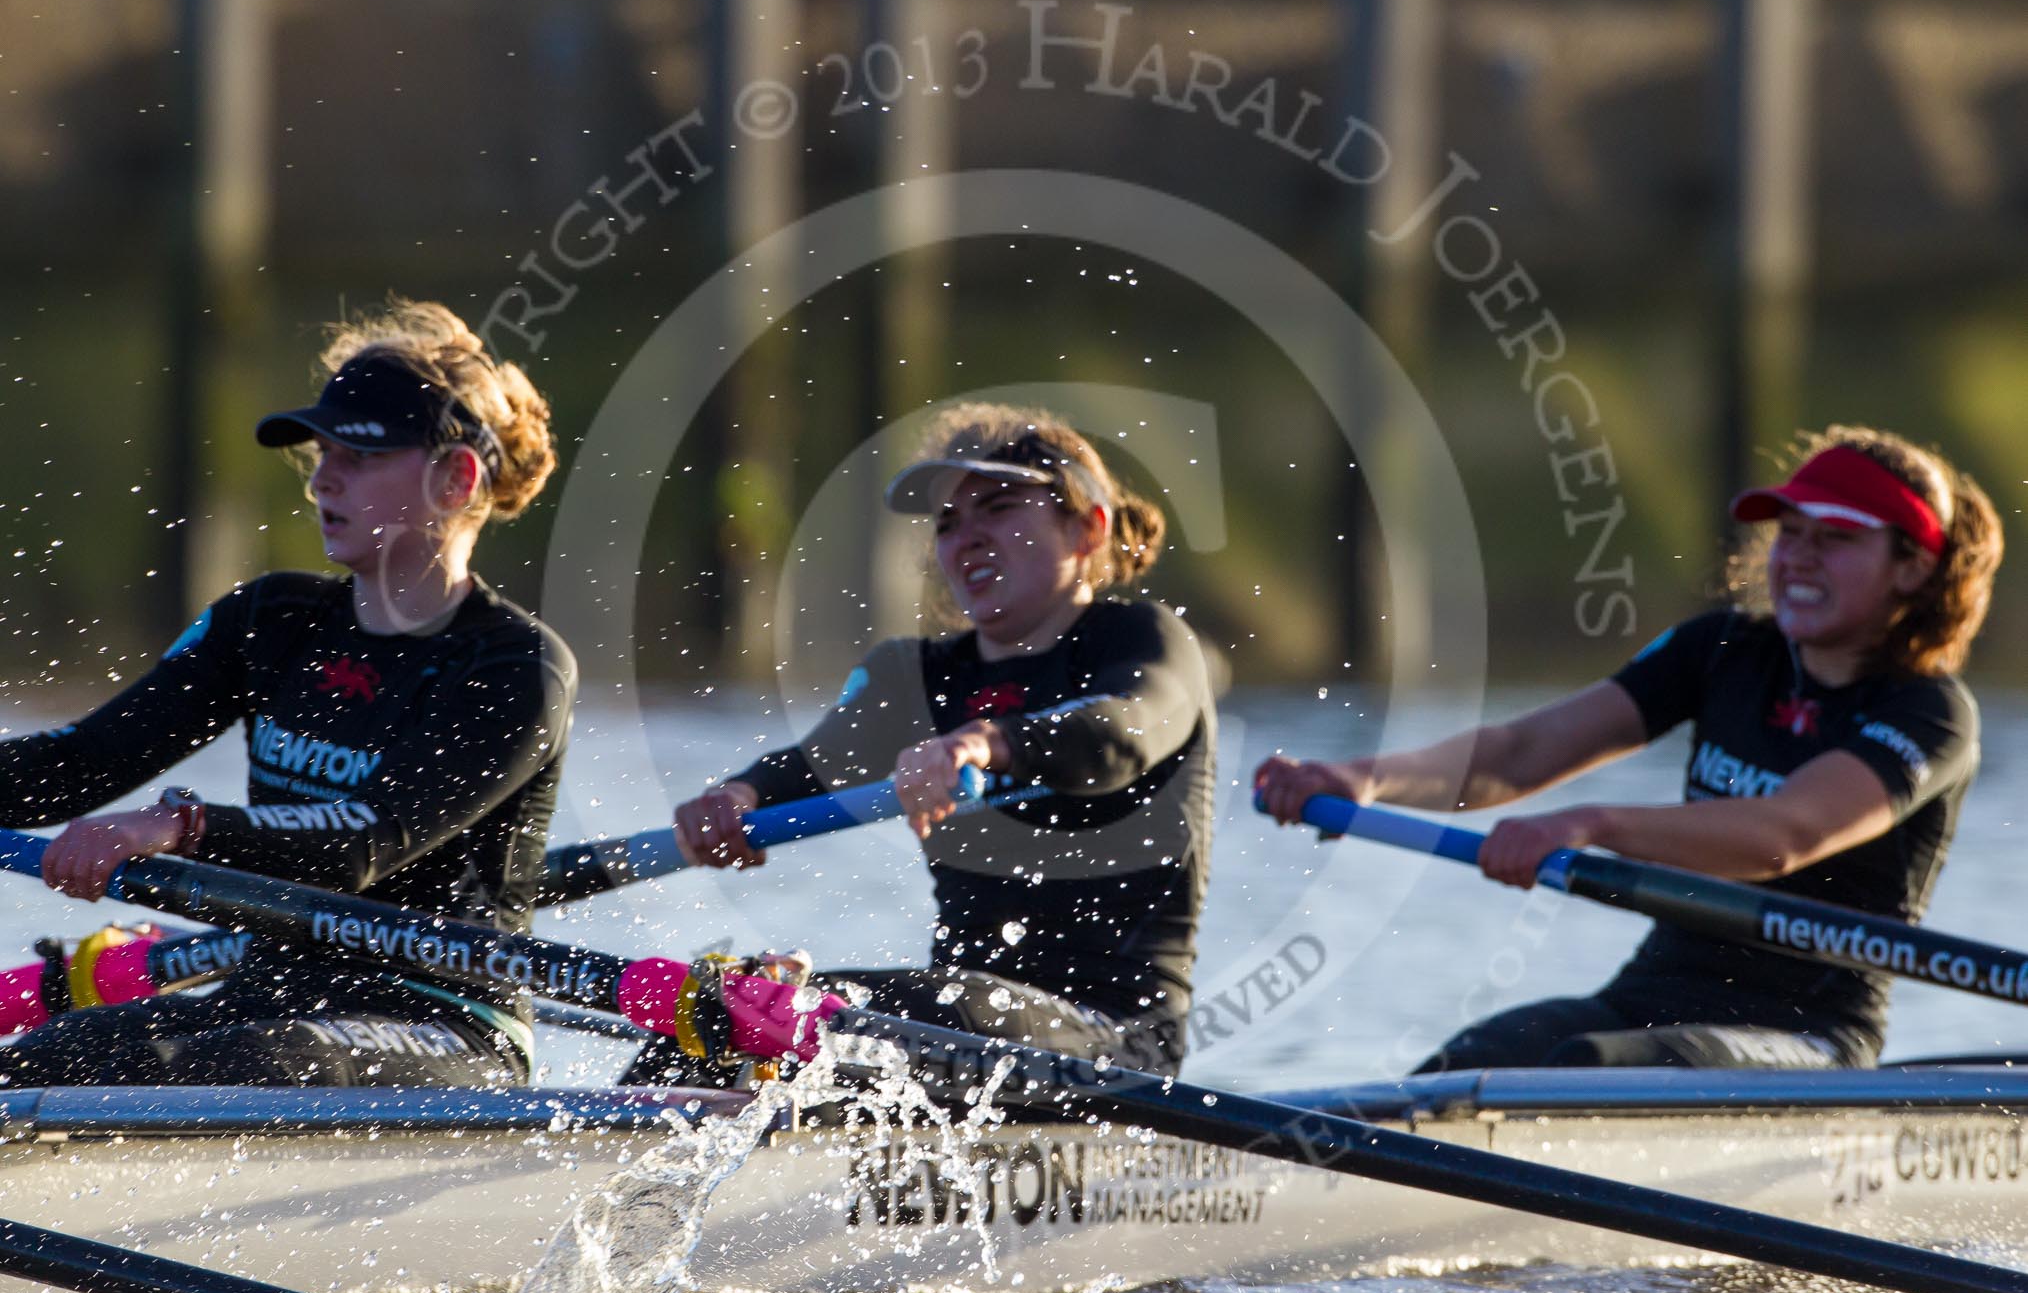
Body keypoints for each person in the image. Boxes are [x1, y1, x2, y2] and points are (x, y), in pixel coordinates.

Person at [1257, 426, 2002, 1072]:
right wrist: (1359, 776)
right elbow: (1519, 752)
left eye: (1835, 539)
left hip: (1804, 1034)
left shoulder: (1928, 712)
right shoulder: (1720, 652)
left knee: (1583, 1070)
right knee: (1478, 1058)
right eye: (1791, 534)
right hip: (1649, 994)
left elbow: (1783, 836)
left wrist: (1588, 826)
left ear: (1912, 567)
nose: (1799, 558)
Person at [0, 299, 576, 1087]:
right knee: (47, 1060)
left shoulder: (517, 668)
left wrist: (176, 827)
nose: (322, 481)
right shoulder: (270, 622)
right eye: (320, 454)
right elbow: (81, 764)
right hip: (271, 992)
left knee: (242, 1062)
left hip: (444, 1019)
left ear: (455, 477)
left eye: (359, 458)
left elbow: (363, 840)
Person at [639, 403, 1216, 1081]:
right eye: (948, 524)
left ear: (1088, 528)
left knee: (838, 1014)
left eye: (998, 507)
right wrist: (737, 797)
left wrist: (984, 746)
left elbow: (1120, 734)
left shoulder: (1143, 643)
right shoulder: (914, 675)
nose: (965, 538)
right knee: (718, 1020)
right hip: (960, 1032)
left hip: (1117, 1042)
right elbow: (813, 765)